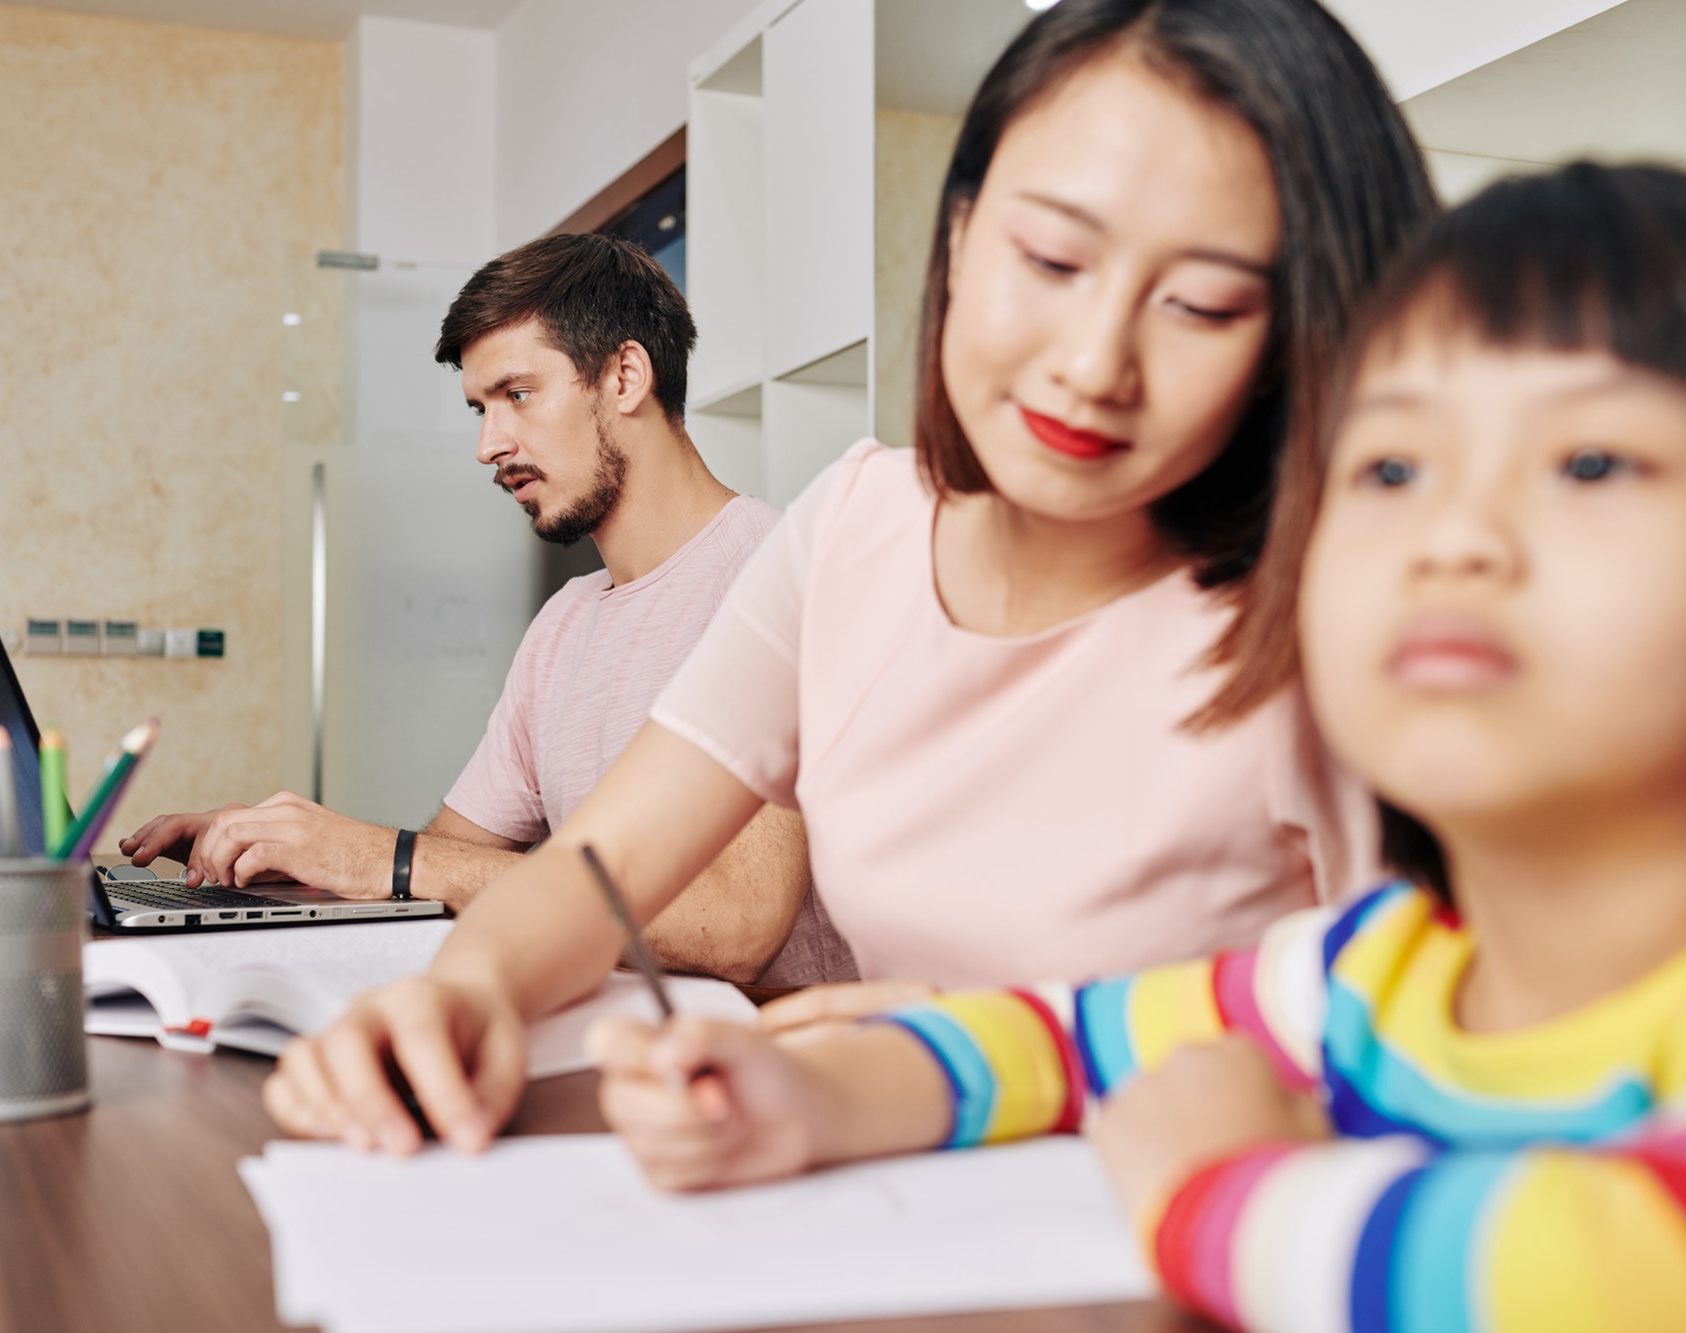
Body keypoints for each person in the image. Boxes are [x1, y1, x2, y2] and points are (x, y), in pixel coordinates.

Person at [260, 0, 1436, 1152]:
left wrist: (967, 1060)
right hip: (886, 1203)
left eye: (1200, 304)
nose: (1091, 365)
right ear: (964, 237)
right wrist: (465, 995)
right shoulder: (858, 525)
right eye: (1050, 257)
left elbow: (1452, 1062)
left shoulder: (1340, 612)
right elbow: (594, 874)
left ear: (1295, 333)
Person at [596, 163, 1686, 1328]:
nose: (1450, 538)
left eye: (1586, 462)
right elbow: (1065, 1033)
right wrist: (810, 1093)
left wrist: (1209, 1189)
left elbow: (1595, 1267)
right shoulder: (1371, 971)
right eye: (1391, 469)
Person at [119, 233, 853, 986]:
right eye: (480, 407)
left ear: (627, 375)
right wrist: (281, 853)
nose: (488, 444)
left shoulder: (776, 575)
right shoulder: (565, 624)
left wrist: (381, 857)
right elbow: (452, 860)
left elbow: (736, 925)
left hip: (767, 1071)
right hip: (613, 1044)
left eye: (519, 395)